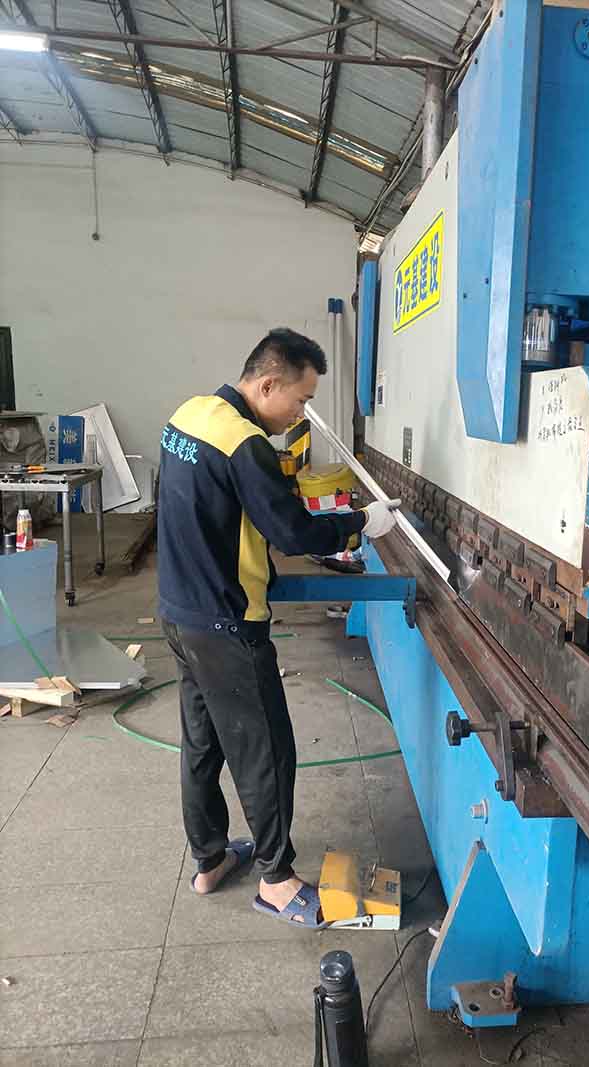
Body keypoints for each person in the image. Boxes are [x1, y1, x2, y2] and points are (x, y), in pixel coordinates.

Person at [157, 327, 399, 928]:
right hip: (226, 624)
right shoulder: (245, 444)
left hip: (179, 613)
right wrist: (360, 523)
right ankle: (277, 880)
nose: (301, 414)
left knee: (203, 744)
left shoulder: (190, 414)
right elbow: (291, 533)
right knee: (265, 749)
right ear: (267, 384)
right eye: (300, 399)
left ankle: (210, 859)